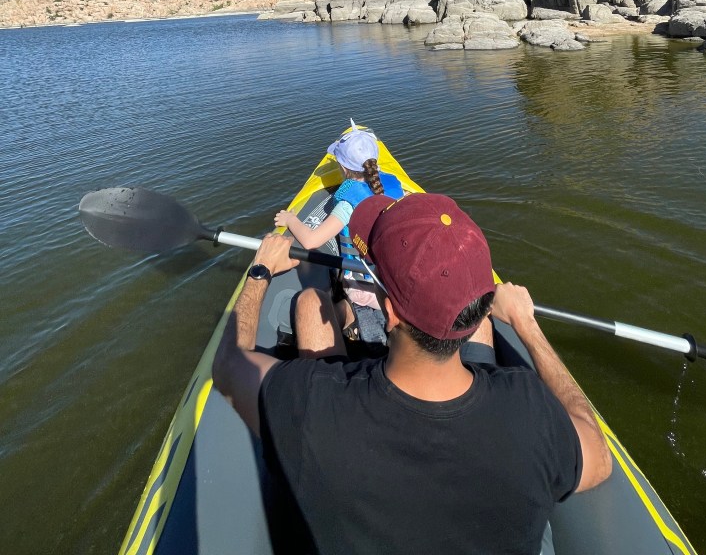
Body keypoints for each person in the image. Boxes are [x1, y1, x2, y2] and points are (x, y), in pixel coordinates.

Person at [212, 192, 612, 555]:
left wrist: (261, 270)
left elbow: (230, 363)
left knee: (309, 305)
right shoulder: (529, 410)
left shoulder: (313, 405)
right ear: (475, 309)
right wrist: (528, 326)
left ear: (389, 311)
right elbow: (598, 459)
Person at [273, 124, 404, 339]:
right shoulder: (394, 188)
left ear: (343, 169)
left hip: (364, 289)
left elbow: (310, 240)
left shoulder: (347, 205)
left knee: (346, 299)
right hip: (393, 282)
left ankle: (350, 315)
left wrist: (291, 219)